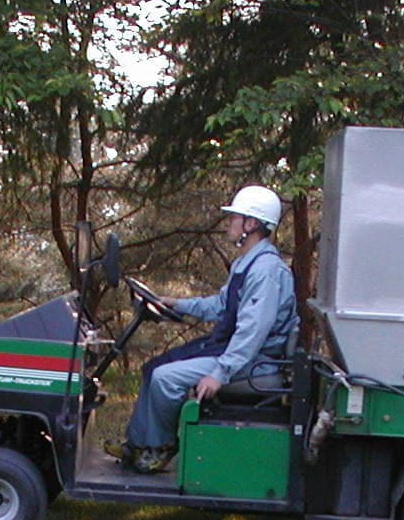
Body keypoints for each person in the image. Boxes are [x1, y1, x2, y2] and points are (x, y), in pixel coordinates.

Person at [107, 186, 297, 473]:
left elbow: (252, 333)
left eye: (235, 217)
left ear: (251, 224)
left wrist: (219, 374)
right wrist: (178, 304)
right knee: (154, 367)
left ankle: (162, 446)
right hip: (237, 350)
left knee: (165, 379)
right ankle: (137, 444)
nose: (229, 223)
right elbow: (222, 305)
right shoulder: (247, 263)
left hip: (257, 361)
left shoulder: (266, 271)